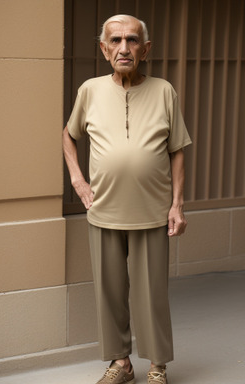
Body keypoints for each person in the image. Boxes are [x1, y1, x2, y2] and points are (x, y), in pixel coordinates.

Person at [63, 14, 191, 384]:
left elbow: (178, 150)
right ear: (104, 49)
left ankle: (157, 367)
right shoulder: (89, 90)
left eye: (133, 40)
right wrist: (78, 180)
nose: (124, 48)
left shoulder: (164, 90)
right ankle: (121, 364)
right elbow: (68, 135)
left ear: (145, 49)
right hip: (103, 210)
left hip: (152, 212)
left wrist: (177, 204)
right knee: (109, 293)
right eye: (115, 41)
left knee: (152, 295)